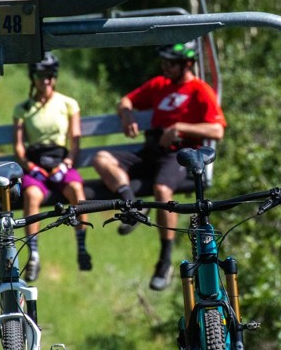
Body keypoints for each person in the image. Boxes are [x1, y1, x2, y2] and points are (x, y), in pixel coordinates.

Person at [92, 42, 226, 291]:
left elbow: (217, 129)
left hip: (179, 154)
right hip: (151, 151)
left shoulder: (199, 90)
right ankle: (133, 209)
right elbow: (125, 101)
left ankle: (164, 261)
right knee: (101, 159)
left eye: (170, 63)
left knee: (162, 190)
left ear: (187, 64)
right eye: (163, 62)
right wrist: (127, 115)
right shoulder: (159, 84)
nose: (165, 67)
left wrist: (180, 128)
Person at [13, 52, 92, 281]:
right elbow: (18, 146)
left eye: (49, 76)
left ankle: (82, 246)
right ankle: (34, 253)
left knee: (77, 191)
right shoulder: (23, 108)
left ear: (54, 77)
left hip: (60, 161)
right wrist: (29, 166)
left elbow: (75, 139)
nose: (45, 81)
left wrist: (67, 164)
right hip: (35, 163)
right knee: (31, 194)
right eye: (40, 75)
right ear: (33, 77)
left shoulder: (68, 103)